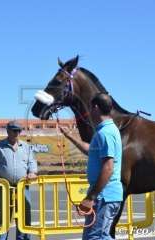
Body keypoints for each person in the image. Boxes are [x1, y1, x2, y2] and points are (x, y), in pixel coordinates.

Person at [60, 93, 123, 240]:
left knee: (96, 237)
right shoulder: (105, 130)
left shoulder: (105, 133)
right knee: (96, 236)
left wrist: (91, 197)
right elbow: (91, 150)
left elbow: (108, 167)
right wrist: (70, 136)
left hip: (103, 196)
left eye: (90, 108)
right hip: (104, 196)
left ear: (95, 108)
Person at [0, 120, 38, 240]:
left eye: (19, 130)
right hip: (4, 187)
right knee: (2, 217)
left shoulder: (26, 147)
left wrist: (32, 172)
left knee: (24, 217)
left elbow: (32, 162)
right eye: (14, 130)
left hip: (22, 187)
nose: (17, 133)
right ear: (7, 131)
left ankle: (24, 238)